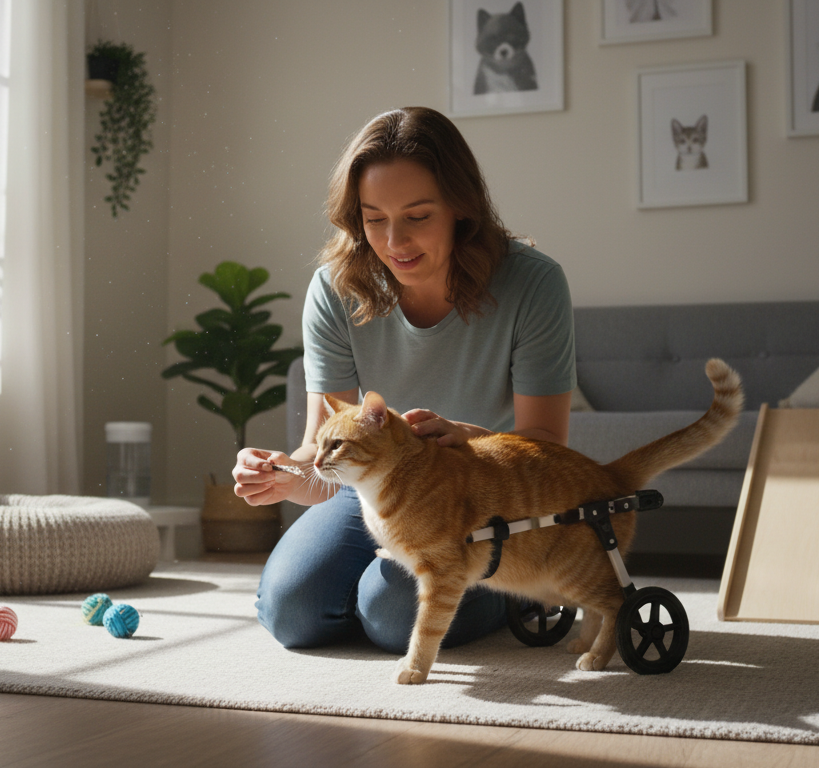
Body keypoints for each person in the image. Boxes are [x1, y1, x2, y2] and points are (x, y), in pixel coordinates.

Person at [232, 106, 576, 653]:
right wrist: (287, 474)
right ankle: (388, 595)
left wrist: (470, 437)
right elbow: (327, 446)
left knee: (391, 615)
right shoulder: (335, 289)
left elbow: (549, 446)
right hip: (373, 486)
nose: (394, 241)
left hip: (483, 494)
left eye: (417, 216)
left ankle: (515, 590)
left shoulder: (533, 285)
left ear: (461, 207)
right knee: (291, 612)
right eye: (374, 218)